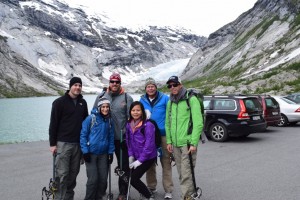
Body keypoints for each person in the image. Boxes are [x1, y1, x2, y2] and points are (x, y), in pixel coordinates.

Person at [93, 72, 133, 200]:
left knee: (123, 167)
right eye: (112, 81)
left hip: (121, 138)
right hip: (104, 138)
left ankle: (123, 192)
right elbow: (94, 114)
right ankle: (101, 191)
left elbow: (132, 119)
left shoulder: (127, 98)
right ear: (109, 83)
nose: (114, 84)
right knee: (103, 167)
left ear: (120, 83)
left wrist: (128, 136)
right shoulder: (101, 96)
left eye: (117, 82)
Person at [49, 77, 89, 200]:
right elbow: (53, 124)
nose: (78, 87)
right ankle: (58, 198)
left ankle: (68, 198)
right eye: (75, 85)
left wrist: (85, 142)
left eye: (80, 85)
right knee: (62, 174)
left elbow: (85, 123)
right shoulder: (59, 102)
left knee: (73, 174)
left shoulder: (83, 103)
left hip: (78, 144)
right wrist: (52, 144)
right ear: (70, 86)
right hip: (63, 143)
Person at [165, 76, 203, 200]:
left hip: (187, 143)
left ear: (180, 84)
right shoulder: (170, 102)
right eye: (169, 86)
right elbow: (168, 123)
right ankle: (190, 195)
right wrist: (169, 141)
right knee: (182, 173)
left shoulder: (191, 99)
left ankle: (186, 197)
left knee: (186, 173)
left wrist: (193, 143)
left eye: (174, 85)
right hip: (175, 144)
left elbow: (198, 123)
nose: (172, 88)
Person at [140, 77, 174, 199]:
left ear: (156, 87)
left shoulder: (165, 98)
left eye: (152, 86)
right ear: (145, 88)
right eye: (148, 86)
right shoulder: (142, 100)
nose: (150, 88)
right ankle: (151, 187)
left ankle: (168, 190)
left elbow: (171, 115)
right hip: (149, 136)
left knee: (166, 162)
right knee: (149, 163)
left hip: (164, 135)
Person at [80, 97, 115, 200]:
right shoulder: (91, 119)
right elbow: (83, 135)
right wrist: (85, 152)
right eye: (103, 107)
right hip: (91, 153)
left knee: (103, 179)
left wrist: (110, 152)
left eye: (107, 107)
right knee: (93, 179)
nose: (105, 109)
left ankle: (99, 197)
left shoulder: (109, 121)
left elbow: (111, 137)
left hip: (103, 154)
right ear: (99, 107)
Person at [126, 101, 157, 200]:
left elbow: (149, 145)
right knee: (129, 177)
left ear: (142, 111)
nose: (135, 112)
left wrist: (140, 161)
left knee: (134, 179)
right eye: (133, 110)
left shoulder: (148, 125)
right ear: (130, 111)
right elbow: (128, 141)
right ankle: (144, 193)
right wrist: (131, 155)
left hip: (148, 157)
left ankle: (149, 196)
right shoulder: (129, 124)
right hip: (136, 156)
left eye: (138, 110)